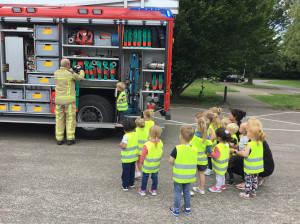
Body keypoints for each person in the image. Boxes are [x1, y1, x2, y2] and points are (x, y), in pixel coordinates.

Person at [232, 118, 274, 189]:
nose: (246, 124)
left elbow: (245, 154)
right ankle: (257, 177)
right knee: (239, 159)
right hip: (266, 167)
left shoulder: (252, 141)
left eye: (248, 123)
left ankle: (247, 181)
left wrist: (233, 151)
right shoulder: (258, 138)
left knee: (235, 160)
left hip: (263, 168)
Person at [54, 58, 84, 146]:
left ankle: (59, 139)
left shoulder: (56, 73)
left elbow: (67, 73)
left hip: (59, 101)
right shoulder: (70, 74)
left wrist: (72, 69)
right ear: (68, 65)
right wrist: (81, 70)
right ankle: (70, 139)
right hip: (69, 101)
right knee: (70, 119)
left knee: (59, 119)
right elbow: (80, 78)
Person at [231, 126, 265, 199]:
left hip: (250, 167)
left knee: (248, 180)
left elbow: (245, 154)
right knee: (255, 180)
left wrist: (235, 151)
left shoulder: (249, 145)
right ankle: (254, 192)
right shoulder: (260, 143)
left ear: (251, 135)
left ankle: (246, 194)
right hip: (257, 167)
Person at [169, 125, 197, 216]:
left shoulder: (177, 148)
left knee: (177, 192)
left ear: (181, 136)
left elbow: (171, 160)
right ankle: (187, 208)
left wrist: (174, 165)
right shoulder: (194, 149)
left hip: (179, 175)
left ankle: (176, 209)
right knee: (187, 191)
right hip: (189, 175)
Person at [138, 125, 163, 196]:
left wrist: (141, 161)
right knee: (155, 177)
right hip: (156, 165)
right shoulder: (160, 142)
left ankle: (142, 190)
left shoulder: (147, 144)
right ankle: (153, 190)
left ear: (149, 134)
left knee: (145, 177)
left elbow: (143, 155)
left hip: (147, 165)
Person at [190, 117, 212, 195]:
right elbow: (209, 151)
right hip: (202, 160)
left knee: (190, 174)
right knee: (201, 174)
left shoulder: (193, 134)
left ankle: (187, 189)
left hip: (192, 158)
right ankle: (201, 188)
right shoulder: (208, 138)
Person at [208, 128, 232, 193]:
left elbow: (217, 155)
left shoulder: (218, 146)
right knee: (222, 175)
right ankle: (223, 185)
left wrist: (211, 153)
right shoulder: (227, 144)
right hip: (224, 164)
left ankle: (218, 187)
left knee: (218, 176)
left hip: (219, 165)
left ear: (219, 138)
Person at [119, 118, 138, 191]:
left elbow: (124, 146)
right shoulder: (135, 134)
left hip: (126, 158)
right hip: (134, 156)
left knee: (126, 172)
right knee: (132, 171)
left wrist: (120, 144)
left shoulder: (126, 136)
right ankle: (131, 183)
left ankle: (125, 185)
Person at [203, 111, 220, 176]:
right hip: (213, 143)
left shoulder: (210, 127)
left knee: (209, 156)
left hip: (211, 144)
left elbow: (213, 136)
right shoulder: (213, 125)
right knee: (210, 156)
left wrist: (208, 142)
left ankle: (210, 169)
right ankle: (210, 168)